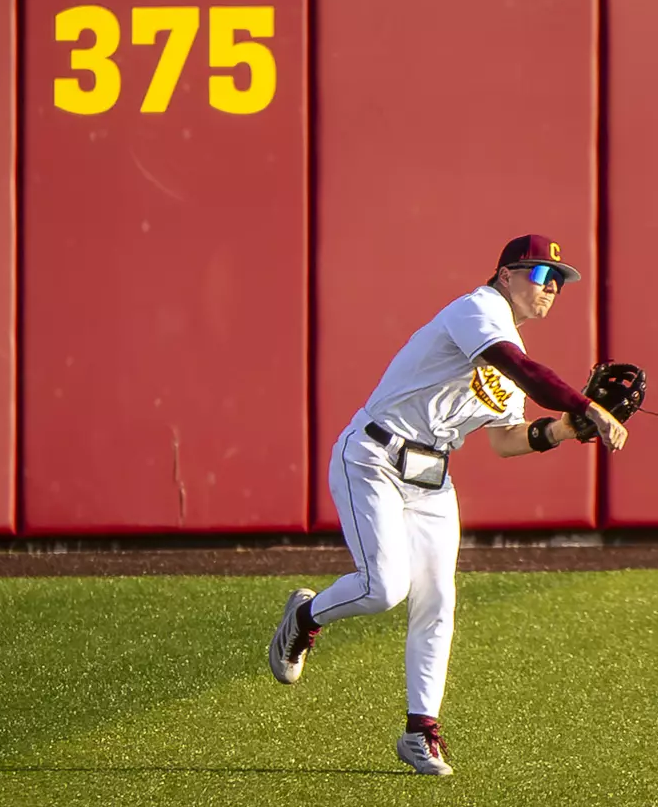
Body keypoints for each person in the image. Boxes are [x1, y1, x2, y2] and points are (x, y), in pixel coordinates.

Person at [266, 234, 629, 776]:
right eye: (539, 275)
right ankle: (304, 615)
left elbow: (508, 440)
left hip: (432, 479)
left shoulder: (509, 358)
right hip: (372, 456)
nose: (550, 287)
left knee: (438, 599)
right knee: (384, 588)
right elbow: (517, 367)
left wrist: (568, 429)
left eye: (558, 281)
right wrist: (586, 405)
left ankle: (421, 731)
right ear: (505, 275)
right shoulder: (476, 311)